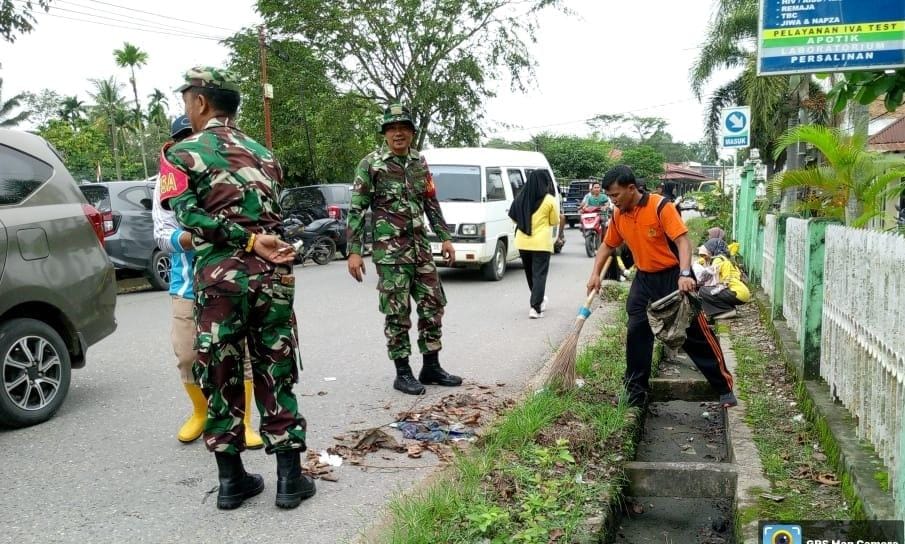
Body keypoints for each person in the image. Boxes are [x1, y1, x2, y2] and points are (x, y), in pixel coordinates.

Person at [160, 67, 314, 510]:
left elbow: (188, 218)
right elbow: (272, 220)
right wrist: (258, 241)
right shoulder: (266, 154)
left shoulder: (181, 153)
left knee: (222, 374)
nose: (185, 107)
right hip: (272, 279)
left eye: (187, 99)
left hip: (220, 283)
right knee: (275, 371)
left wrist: (244, 241)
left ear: (202, 102)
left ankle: (231, 482)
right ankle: (289, 479)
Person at [152, 115, 264, 450]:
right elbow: (161, 234)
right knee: (187, 355)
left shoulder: (227, 170)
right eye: (182, 137)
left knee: (238, 354)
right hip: (187, 283)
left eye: (194, 135)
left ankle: (243, 422)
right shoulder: (167, 180)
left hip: (229, 278)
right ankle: (200, 412)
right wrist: (195, 237)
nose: (189, 143)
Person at [586, 165, 737, 409]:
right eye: (610, 196)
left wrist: (685, 273)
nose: (612, 201)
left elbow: (683, 241)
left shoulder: (659, 206)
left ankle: (723, 386)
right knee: (637, 331)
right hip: (644, 279)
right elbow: (606, 246)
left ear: (631, 188)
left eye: (615, 195)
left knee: (691, 333)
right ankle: (635, 393)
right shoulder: (618, 215)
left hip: (672, 277)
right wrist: (595, 275)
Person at [347, 103, 463, 396]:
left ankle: (431, 366)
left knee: (433, 305)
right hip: (391, 253)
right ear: (385, 133)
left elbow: (430, 202)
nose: (398, 133)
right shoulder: (371, 164)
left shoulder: (419, 163)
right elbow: (357, 209)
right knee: (397, 312)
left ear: (412, 133)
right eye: (392, 128)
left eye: (403, 128)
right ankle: (402, 372)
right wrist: (354, 251)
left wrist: (445, 237)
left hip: (420, 249)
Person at [510, 169, 559, 318]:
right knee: (539, 275)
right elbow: (554, 221)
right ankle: (535, 308)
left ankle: (538, 300)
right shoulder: (549, 200)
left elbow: (513, 217)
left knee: (530, 274)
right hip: (541, 243)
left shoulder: (520, 197)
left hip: (523, 241)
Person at [698, 238, 750, 320]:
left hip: (736, 292)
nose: (704, 258)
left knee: (703, 290)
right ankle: (724, 309)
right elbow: (702, 260)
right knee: (710, 290)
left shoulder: (718, 259)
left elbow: (708, 274)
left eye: (706, 254)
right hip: (741, 293)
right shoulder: (724, 258)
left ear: (712, 250)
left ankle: (727, 310)